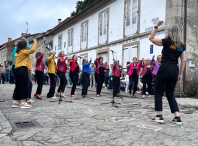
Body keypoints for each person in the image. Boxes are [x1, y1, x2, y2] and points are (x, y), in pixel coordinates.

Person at [149, 20, 186, 124]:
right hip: (175, 69)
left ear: (169, 32)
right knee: (170, 94)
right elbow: (183, 60)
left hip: (165, 67)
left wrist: (156, 26)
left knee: (158, 91)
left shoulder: (166, 42)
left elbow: (151, 38)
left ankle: (159, 115)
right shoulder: (181, 45)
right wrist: (180, 74)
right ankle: (177, 117)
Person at [13, 38, 37, 108]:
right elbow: (32, 51)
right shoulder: (23, 51)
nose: (27, 46)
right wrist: (35, 42)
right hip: (22, 69)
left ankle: (16, 101)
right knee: (24, 85)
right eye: (26, 45)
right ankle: (23, 102)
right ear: (24, 46)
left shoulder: (17, 53)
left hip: (16, 69)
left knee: (18, 85)